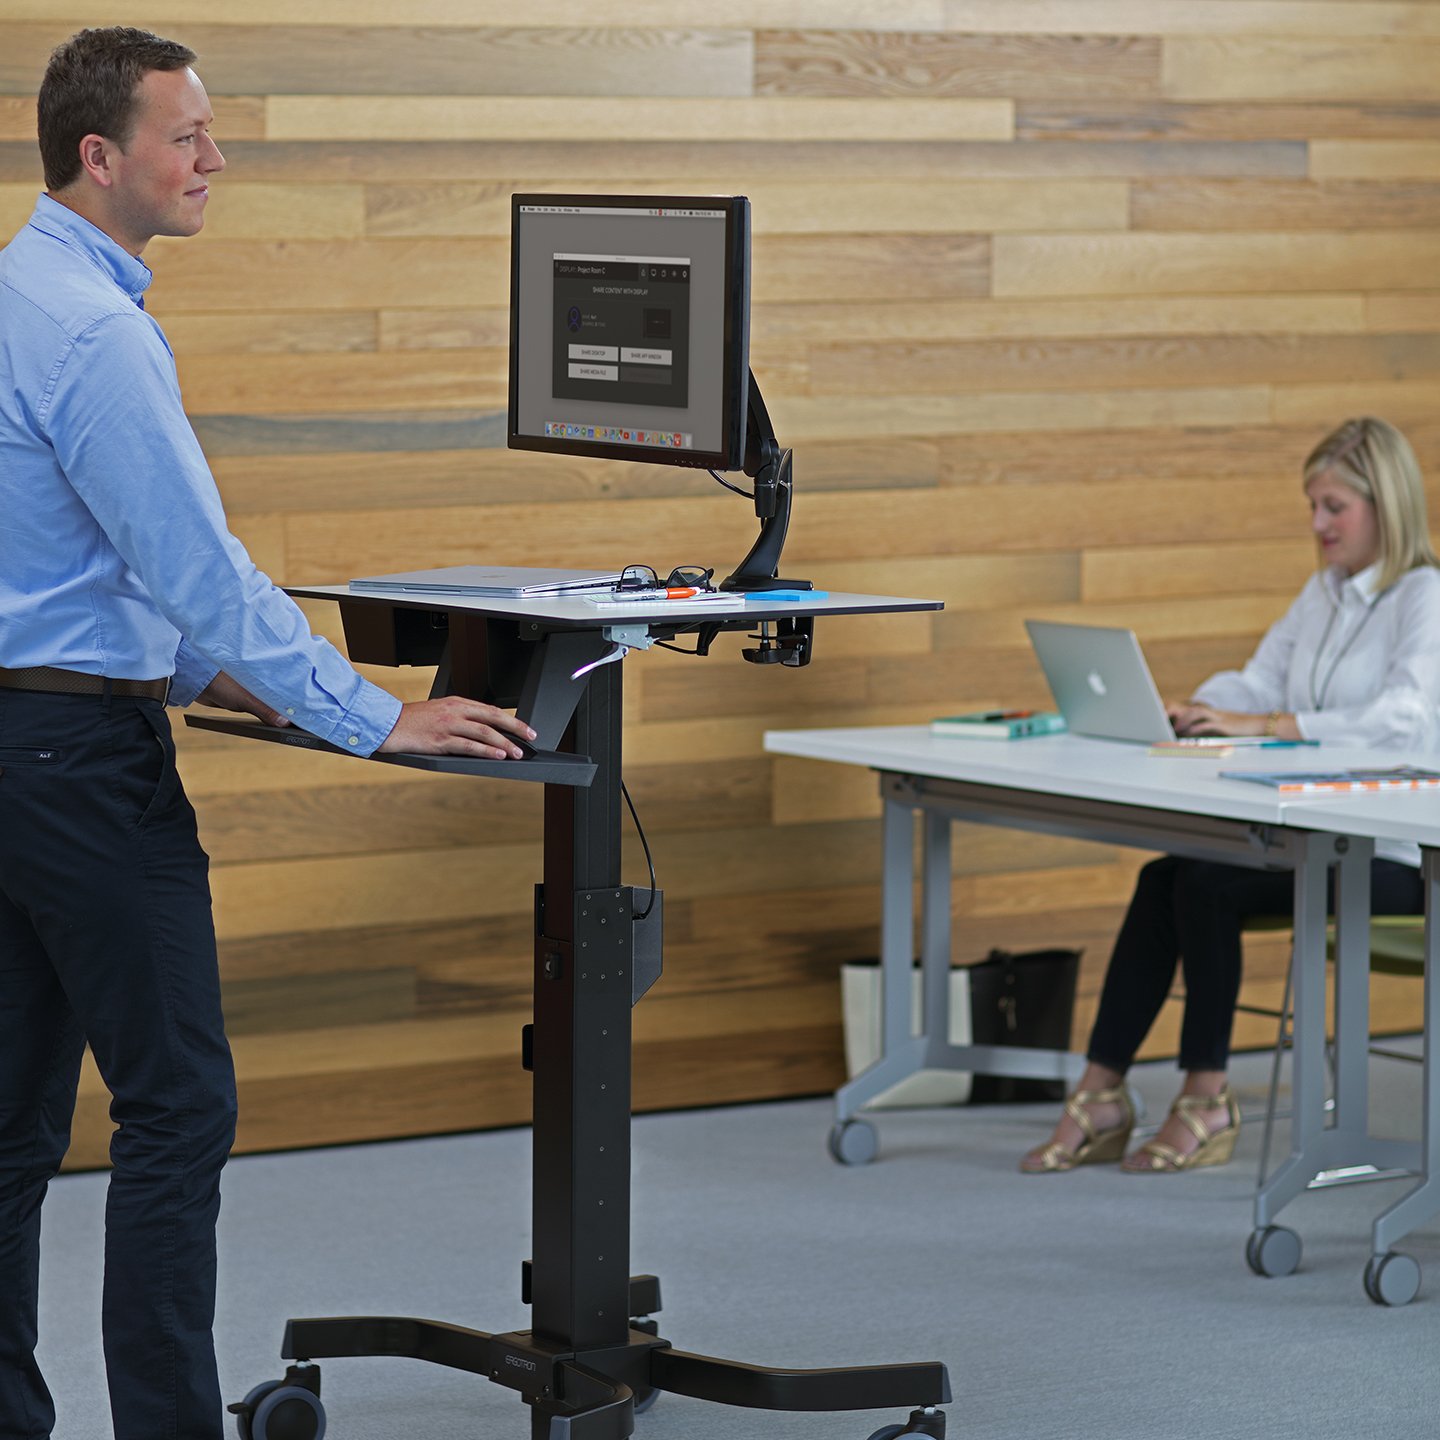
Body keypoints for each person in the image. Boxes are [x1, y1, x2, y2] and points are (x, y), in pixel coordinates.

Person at [0, 27, 535, 1439]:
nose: (214, 159)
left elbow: (61, 561)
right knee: (177, 1108)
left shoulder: (10, 295)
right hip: (80, 774)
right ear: (98, 156)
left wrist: (195, 677)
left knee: (7, 1124)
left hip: (10, 750)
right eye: (187, 136)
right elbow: (199, 572)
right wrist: (375, 717)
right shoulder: (98, 334)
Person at [1021, 416, 1440, 1175]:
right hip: (1314, 839)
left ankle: (1207, 1097)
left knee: (1208, 884)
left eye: (1333, 507)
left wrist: (1268, 722)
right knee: (1166, 875)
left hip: (1395, 856)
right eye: (1312, 506)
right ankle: (1102, 1089)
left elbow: (1398, 723)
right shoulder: (1325, 594)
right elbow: (1257, 677)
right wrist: (1197, 708)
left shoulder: (1424, 598)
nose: (1317, 524)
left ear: (1386, 504)